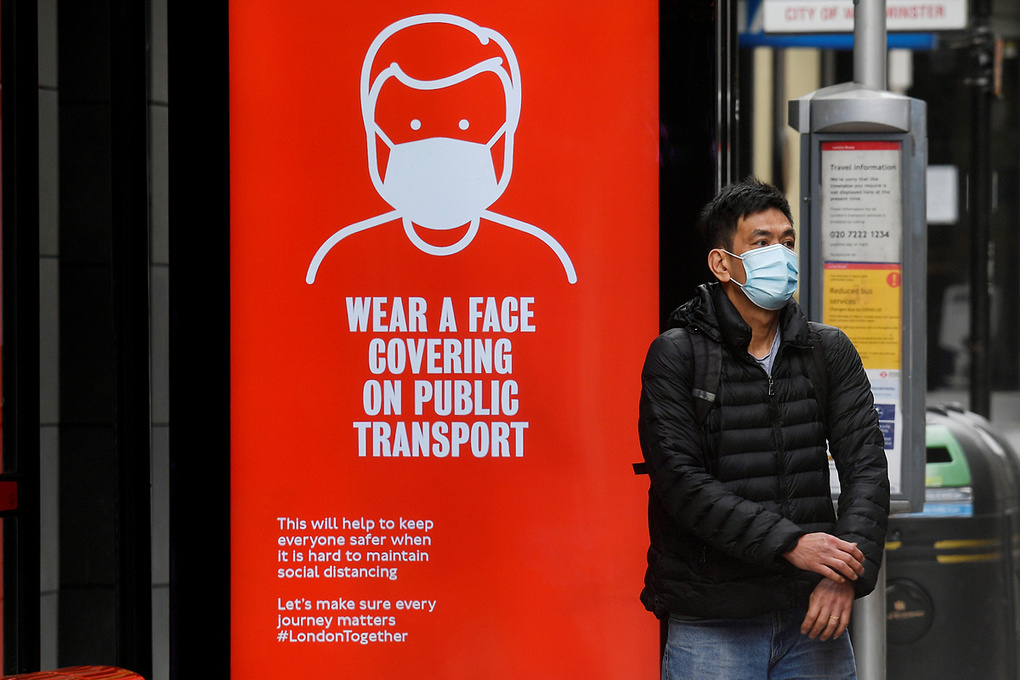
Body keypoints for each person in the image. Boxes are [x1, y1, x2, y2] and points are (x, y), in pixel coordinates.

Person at [638, 179, 889, 679]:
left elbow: (866, 467)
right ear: (721, 263)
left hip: (813, 618)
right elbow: (680, 482)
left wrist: (845, 574)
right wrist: (792, 543)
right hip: (713, 623)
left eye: (787, 241)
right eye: (762, 242)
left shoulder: (826, 349)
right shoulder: (678, 355)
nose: (781, 254)